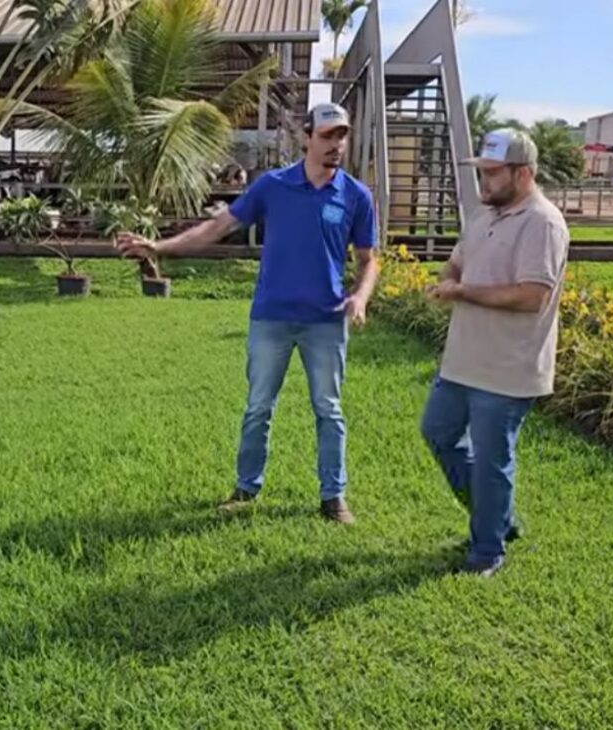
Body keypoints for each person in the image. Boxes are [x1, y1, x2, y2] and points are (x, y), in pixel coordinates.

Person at [116, 102, 379, 523]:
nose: (336, 144)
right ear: (307, 137)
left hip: (326, 321)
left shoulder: (356, 196)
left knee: (328, 409)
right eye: (327, 135)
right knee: (259, 407)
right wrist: (159, 247)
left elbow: (368, 260)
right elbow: (218, 227)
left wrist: (361, 297)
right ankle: (246, 488)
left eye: (341, 136)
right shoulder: (272, 186)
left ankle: (333, 496)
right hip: (271, 317)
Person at [422, 128, 569, 577]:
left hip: (508, 367)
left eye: (492, 172)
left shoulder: (543, 223)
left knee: (490, 460)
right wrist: (448, 280)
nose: (483, 180)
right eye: (481, 171)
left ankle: (486, 551)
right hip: (463, 360)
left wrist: (463, 292)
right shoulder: (483, 213)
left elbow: (532, 296)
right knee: (438, 433)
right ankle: (497, 518)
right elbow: (457, 262)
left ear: (523, 174)